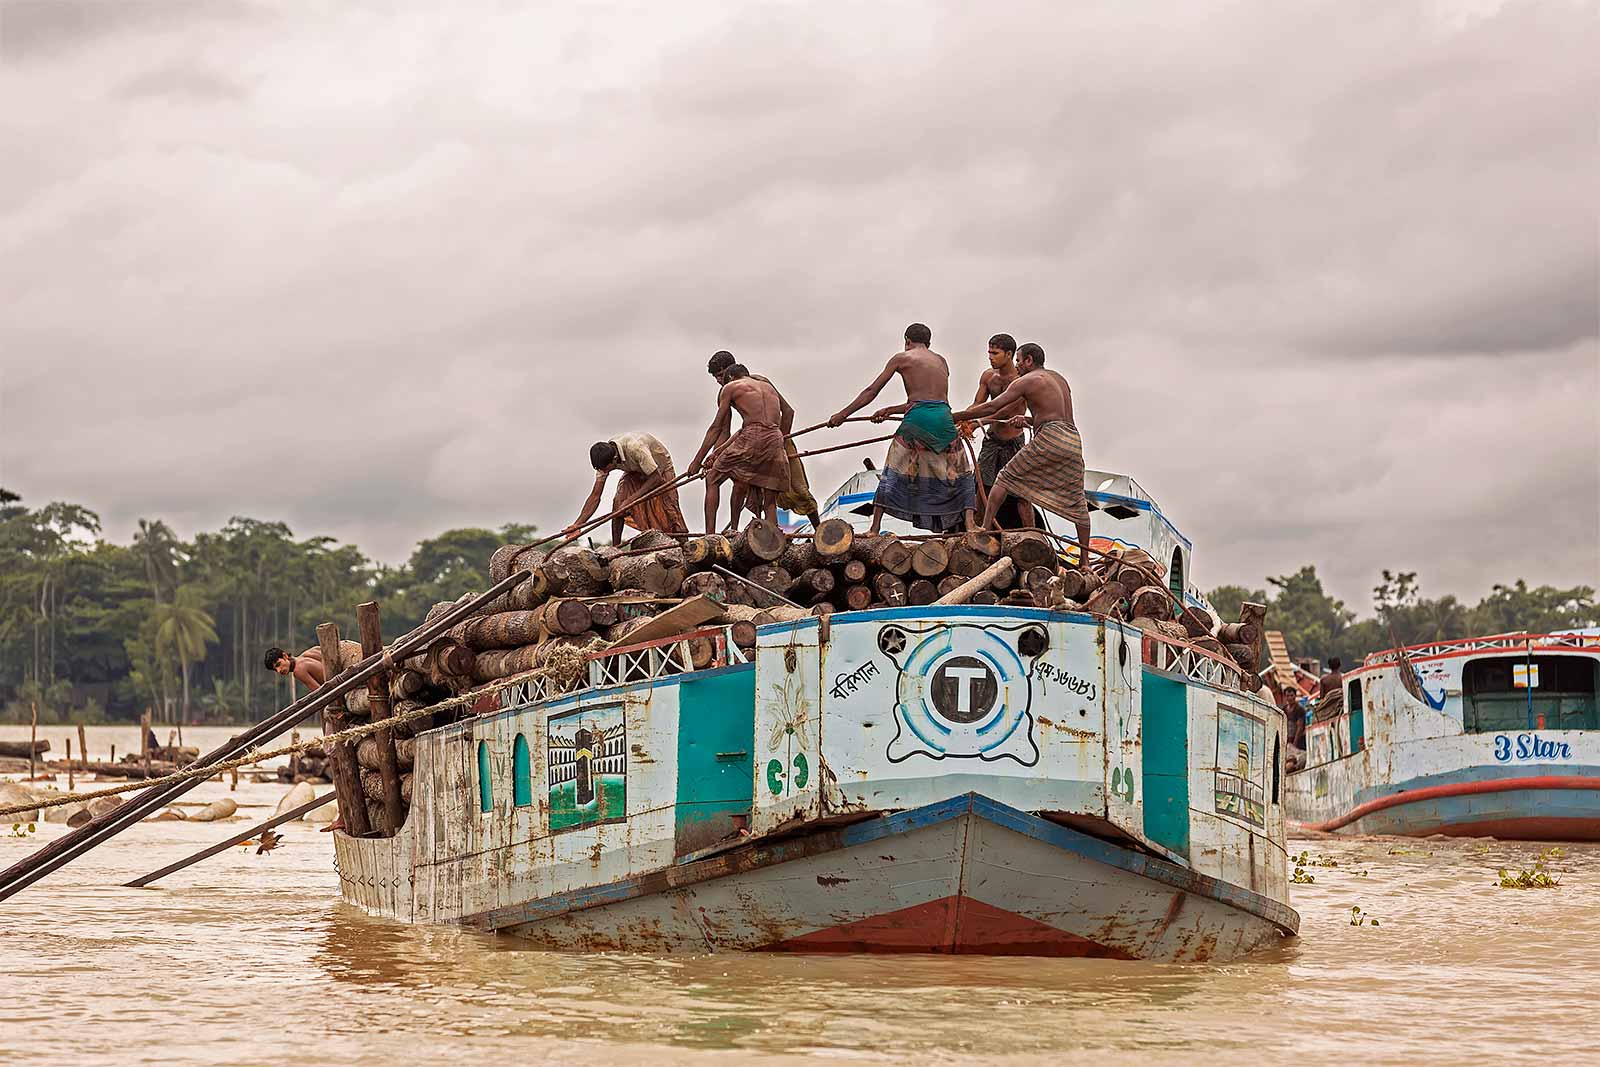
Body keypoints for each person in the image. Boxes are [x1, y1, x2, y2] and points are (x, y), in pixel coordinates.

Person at [951, 342, 1091, 568]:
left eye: (1019, 360)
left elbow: (992, 407)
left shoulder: (1026, 380)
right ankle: (1085, 562)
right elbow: (1053, 416)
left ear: (1029, 361)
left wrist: (955, 417)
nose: (1017, 365)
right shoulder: (1059, 379)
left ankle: (985, 530)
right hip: (1073, 438)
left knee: (1004, 479)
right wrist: (1027, 420)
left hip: (1050, 437)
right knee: (1077, 501)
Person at [827, 323, 977, 533]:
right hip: (944, 418)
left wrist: (843, 415)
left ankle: (874, 527)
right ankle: (970, 524)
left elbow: (872, 391)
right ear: (929, 343)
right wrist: (890, 409)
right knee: (960, 471)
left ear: (907, 341)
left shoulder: (902, 358)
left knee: (893, 469)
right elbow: (931, 400)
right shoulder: (941, 361)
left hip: (917, 421)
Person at [707, 351, 821, 528]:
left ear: (730, 372)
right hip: (756, 439)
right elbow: (724, 430)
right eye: (716, 378)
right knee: (742, 485)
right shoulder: (731, 390)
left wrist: (780, 442)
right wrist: (715, 455)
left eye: (721, 376)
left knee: (798, 490)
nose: (719, 381)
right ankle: (744, 532)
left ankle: (819, 531)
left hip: (779, 437)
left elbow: (788, 413)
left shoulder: (757, 382)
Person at [687, 364, 791, 531]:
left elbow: (717, 428)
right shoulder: (767, 385)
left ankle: (710, 537)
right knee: (770, 501)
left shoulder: (730, 387)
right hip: (775, 437)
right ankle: (772, 546)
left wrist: (696, 461)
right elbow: (789, 412)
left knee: (712, 478)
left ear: (731, 377)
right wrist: (780, 445)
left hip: (752, 436)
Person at [563, 432, 689, 545]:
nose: (604, 472)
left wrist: (631, 500)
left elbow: (656, 478)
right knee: (617, 508)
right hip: (634, 471)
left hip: (660, 469)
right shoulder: (603, 461)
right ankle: (615, 548)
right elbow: (595, 496)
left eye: (606, 469)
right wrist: (578, 524)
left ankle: (685, 547)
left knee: (671, 510)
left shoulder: (635, 448)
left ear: (614, 460)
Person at [968, 333, 1032, 529]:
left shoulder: (1023, 379)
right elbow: (978, 404)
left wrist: (977, 421)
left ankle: (1032, 533)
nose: (990, 356)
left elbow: (1004, 409)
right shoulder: (988, 377)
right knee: (981, 487)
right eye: (989, 352)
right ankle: (979, 531)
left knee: (1022, 493)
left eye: (995, 353)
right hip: (992, 441)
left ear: (1009, 354)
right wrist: (960, 420)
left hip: (1015, 443)